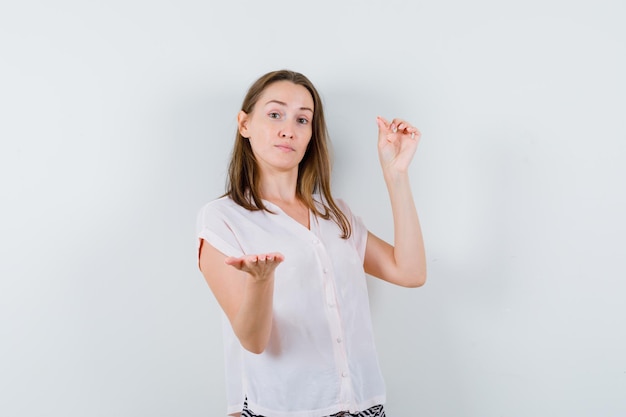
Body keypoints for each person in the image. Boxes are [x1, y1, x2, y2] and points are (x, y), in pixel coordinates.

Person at [197, 69, 426, 417]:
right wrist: (261, 281)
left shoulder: (334, 215)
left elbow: (409, 272)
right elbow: (253, 341)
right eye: (275, 114)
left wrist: (396, 175)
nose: (289, 128)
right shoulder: (223, 218)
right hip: (281, 409)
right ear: (244, 124)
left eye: (303, 119)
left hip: (365, 405)